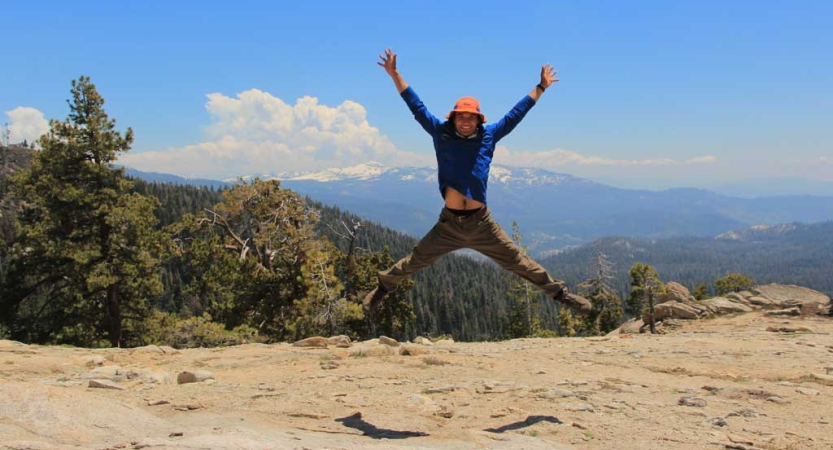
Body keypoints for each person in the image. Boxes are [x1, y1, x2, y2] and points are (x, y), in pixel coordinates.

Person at [364, 48, 592, 321]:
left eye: (471, 117)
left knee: (520, 263)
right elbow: (416, 106)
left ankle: (561, 295)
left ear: (478, 119)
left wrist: (541, 86)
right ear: (453, 117)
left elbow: (516, 114)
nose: (465, 120)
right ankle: (381, 289)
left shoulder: (489, 136)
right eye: (461, 116)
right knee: (415, 260)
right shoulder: (440, 133)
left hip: (482, 224)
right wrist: (395, 74)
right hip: (448, 225)